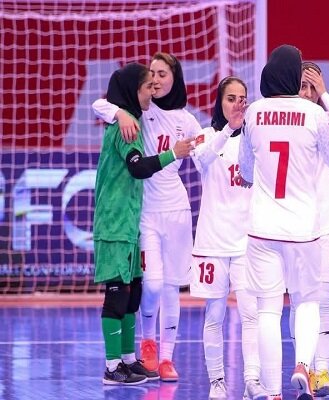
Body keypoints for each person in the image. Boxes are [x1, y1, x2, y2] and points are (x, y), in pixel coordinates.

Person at [237, 44, 329, 400]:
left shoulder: (253, 113)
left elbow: (245, 170)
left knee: (268, 311)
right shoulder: (313, 114)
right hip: (303, 230)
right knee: (307, 302)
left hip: (261, 229)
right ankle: (303, 365)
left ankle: (271, 392)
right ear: (294, 76)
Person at [93, 52, 198, 382]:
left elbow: (208, 152)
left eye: (162, 74)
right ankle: (120, 361)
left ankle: (144, 358)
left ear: (175, 78)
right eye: (150, 76)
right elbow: (137, 166)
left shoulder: (181, 118)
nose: (154, 81)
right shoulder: (130, 120)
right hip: (130, 218)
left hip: (155, 215)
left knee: (139, 291)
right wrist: (120, 112)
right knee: (132, 289)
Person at [189, 76, 266, 400]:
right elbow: (201, 160)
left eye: (242, 98)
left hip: (246, 242)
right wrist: (227, 130)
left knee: (251, 314)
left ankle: (252, 380)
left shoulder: (255, 139)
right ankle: (217, 382)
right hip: (212, 242)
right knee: (214, 315)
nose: (237, 104)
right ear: (220, 102)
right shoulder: (206, 136)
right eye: (231, 98)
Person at [287, 61, 329, 397]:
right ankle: (304, 366)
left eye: (312, 86)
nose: (307, 92)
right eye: (302, 85)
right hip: (295, 226)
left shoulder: (326, 122)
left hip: (326, 224)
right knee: (300, 301)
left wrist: (325, 94)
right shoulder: (285, 122)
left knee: (324, 300)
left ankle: (322, 371)